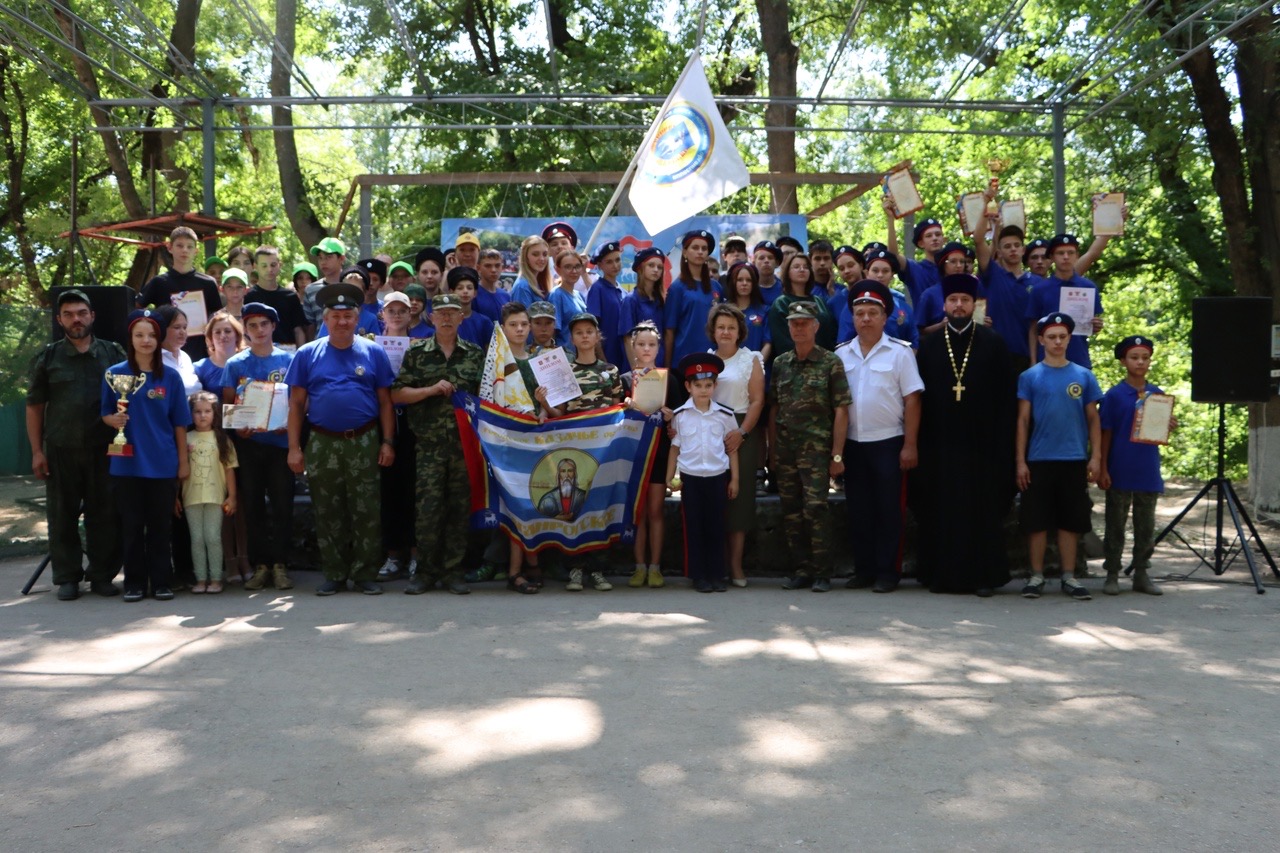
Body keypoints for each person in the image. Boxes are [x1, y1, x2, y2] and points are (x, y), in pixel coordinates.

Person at [285, 282, 397, 596]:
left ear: (357, 318)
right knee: (327, 509)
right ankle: (334, 572)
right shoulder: (308, 354)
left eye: (348, 315)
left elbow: (386, 401)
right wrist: (294, 448)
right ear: (325, 319)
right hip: (322, 442)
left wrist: (388, 442)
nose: (342, 321)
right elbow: (295, 404)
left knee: (367, 509)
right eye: (335, 316)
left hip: (364, 440)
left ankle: (364, 574)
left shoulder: (373, 351)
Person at [913, 274, 1017, 596]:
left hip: (982, 444)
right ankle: (941, 575)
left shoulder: (994, 342)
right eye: (953, 300)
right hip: (940, 443)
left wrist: (1003, 443)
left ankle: (982, 577)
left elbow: (1006, 398)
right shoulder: (929, 345)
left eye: (965, 300)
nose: (959, 305)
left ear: (975, 305)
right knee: (941, 508)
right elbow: (918, 398)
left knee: (980, 509)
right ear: (944, 305)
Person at [26, 289, 127, 600]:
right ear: (59, 320)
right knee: (61, 516)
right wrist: (37, 451)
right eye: (69, 314)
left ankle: (102, 575)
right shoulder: (48, 358)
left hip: (104, 449)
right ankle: (68, 577)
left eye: (82, 313)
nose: (76, 319)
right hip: (60, 449)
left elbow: (129, 400)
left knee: (104, 513)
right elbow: (34, 406)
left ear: (92, 316)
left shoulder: (113, 354)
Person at [392, 293, 485, 595]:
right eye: (441, 313)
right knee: (429, 510)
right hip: (429, 445)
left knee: (459, 509)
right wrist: (430, 390)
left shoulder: (474, 353)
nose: (446, 318)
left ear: (462, 318)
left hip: (463, 445)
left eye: (452, 313)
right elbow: (398, 394)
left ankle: (453, 571)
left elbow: (487, 397)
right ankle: (426, 572)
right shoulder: (417, 353)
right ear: (431, 318)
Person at [834, 281, 922, 593]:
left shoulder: (900, 353)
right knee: (858, 510)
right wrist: (837, 452)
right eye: (860, 313)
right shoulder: (841, 355)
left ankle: (888, 572)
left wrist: (910, 444)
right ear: (853, 318)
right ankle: (864, 569)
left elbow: (912, 399)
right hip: (854, 444)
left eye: (873, 313)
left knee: (889, 510)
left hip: (889, 442)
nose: (866, 319)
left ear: (885, 318)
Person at [100, 309, 191, 602]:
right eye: (139, 335)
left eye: (151, 334)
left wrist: (183, 461)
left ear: (159, 337)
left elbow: (179, 423)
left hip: (163, 463)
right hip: (126, 463)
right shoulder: (114, 374)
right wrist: (111, 420)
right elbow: (105, 412)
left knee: (161, 527)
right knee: (131, 526)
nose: (146, 340)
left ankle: (162, 581)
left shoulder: (172, 378)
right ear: (130, 338)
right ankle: (135, 583)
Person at [1016, 313, 1103, 601]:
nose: (1057, 341)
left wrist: (1096, 457)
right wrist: (1020, 461)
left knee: (1070, 520)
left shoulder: (1083, 375)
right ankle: (1036, 575)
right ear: (1041, 340)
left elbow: (1093, 419)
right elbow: (1023, 421)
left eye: (1062, 337)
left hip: (1074, 459)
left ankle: (1069, 576)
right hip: (1039, 460)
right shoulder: (1030, 377)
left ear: (1069, 339)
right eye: (1051, 337)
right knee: (1036, 521)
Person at [539, 313, 624, 592]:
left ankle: (598, 569)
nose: (585, 336)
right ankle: (575, 568)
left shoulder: (610, 371)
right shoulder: (565, 373)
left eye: (590, 331)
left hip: (603, 451)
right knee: (573, 507)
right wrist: (544, 403)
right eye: (579, 332)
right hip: (574, 450)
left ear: (597, 336)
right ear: (572, 339)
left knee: (598, 507)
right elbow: (559, 414)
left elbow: (616, 410)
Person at [771, 303, 851, 592]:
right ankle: (801, 569)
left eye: (805, 323)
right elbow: (775, 408)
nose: (799, 328)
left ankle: (822, 572)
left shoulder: (830, 362)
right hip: (786, 449)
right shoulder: (781, 363)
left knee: (816, 508)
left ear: (815, 326)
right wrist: (771, 452)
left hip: (817, 450)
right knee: (791, 510)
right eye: (794, 323)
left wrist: (837, 454)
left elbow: (842, 409)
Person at [222, 302, 298, 591]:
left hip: (280, 443)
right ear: (247, 329)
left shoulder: (289, 359)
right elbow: (228, 403)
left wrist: (288, 425)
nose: (259, 330)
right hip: (249, 446)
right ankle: (260, 565)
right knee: (252, 506)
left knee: (282, 505)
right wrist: (237, 425)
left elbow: (298, 401)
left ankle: (280, 565)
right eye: (252, 325)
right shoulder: (236, 364)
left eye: (264, 324)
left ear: (273, 327)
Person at [1099, 335, 1167, 596]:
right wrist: (1103, 467)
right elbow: (1105, 433)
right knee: (1115, 523)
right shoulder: (1115, 395)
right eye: (1134, 357)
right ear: (1123, 361)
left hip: (1147, 469)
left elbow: (1157, 432)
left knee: (1146, 525)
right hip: (1120, 468)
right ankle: (1112, 573)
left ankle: (1141, 572)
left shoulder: (1157, 395)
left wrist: (1166, 426)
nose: (1140, 362)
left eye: (1145, 358)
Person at [667, 353, 738, 593]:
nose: (703, 390)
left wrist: (735, 479)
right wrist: (670, 477)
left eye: (708, 385)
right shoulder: (680, 416)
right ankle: (699, 575)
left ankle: (718, 574)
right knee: (694, 527)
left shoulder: (725, 416)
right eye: (698, 385)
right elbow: (675, 448)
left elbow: (732, 450)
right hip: (691, 478)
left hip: (718, 477)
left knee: (716, 527)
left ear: (715, 386)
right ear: (688, 386)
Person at [708, 304, 766, 587]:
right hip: (709, 433)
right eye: (721, 327)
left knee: (738, 501)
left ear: (739, 331)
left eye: (731, 327)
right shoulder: (706, 360)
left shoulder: (750, 359)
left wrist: (741, 432)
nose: (726, 332)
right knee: (714, 499)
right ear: (713, 331)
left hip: (742, 429)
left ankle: (736, 566)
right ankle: (715, 564)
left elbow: (757, 400)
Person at [620, 322, 675, 589]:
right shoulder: (624, 380)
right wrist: (626, 406)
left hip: (660, 452)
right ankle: (639, 566)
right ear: (633, 347)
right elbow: (613, 421)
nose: (646, 349)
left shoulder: (670, 379)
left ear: (658, 348)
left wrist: (670, 416)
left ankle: (655, 567)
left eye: (651, 344)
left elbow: (679, 423)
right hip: (633, 454)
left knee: (655, 510)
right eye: (641, 344)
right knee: (638, 512)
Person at [374, 291, 419, 583]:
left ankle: (415, 555)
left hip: (414, 424)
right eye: (392, 310)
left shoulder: (421, 346)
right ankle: (392, 556)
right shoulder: (369, 346)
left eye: (403, 310)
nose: (398, 315)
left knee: (414, 491)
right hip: (380, 423)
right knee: (387, 492)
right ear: (383, 315)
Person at [136, 226, 222, 359]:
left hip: (201, 352)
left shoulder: (208, 283)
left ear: (196, 251)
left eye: (189, 246)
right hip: (166, 354)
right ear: (170, 248)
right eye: (180, 245)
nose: (184, 250)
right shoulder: (159, 282)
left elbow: (217, 316)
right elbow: (137, 307)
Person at [182, 391, 238, 594]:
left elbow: (229, 468)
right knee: (197, 539)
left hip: (215, 497)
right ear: (190, 414)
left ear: (215, 414)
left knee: (213, 537)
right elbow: (178, 470)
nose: (202, 415)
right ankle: (200, 579)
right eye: (197, 411)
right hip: (191, 497)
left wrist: (232, 496)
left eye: (207, 411)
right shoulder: (185, 438)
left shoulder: (222, 439)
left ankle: (216, 578)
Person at [1026, 234, 1104, 368]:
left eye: (1070, 252)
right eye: (1060, 253)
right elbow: (1033, 329)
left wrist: (1096, 326)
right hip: (1046, 362)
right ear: (1052, 257)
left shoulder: (1088, 287)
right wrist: (1033, 362)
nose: (1066, 257)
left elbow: (1091, 325)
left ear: (1077, 255)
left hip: (1079, 360)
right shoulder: (1039, 290)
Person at [664, 230, 722, 366]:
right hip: (684, 359)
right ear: (684, 252)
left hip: (713, 358)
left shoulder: (717, 287)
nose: (700, 252)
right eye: (695, 248)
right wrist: (667, 368)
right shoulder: (677, 288)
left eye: (704, 248)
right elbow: (669, 331)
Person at [766, 252, 837, 356]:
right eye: (796, 267)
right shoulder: (781, 303)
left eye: (806, 267)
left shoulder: (820, 301)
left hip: (825, 363)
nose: (802, 269)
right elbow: (782, 341)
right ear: (788, 272)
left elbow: (831, 333)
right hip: (794, 365)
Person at [883, 203, 945, 306]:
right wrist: (890, 218)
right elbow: (893, 255)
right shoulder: (914, 269)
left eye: (938, 234)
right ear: (921, 243)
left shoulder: (953, 267)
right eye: (929, 236)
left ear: (943, 239)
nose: (934, 238)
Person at [249, 245, 308, 348]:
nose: (269, 269)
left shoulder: (290, 297)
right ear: (255, 266)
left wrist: (300, 357)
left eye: (273, 265)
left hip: (287, 351)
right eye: (264, 265)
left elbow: (298, 330)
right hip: (257, 351)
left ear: (279, 265)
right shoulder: (248, 297)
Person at [619, 247, 666, 368]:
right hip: (638, 369)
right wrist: (637, 371)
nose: (656, 270)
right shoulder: (631, 300)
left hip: (658, 366)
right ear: (641, 268)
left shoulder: (661, 300)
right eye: (651, 265)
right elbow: (627, 339)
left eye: (659, 267)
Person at [587, 241, 627, 368]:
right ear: (600, 265)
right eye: (609, 262)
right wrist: (602, 359)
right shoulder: (597, 289)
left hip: (624, 354)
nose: (615, 265)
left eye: (617, 260)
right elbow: (593, 327)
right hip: (608, 356)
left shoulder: (622, 291)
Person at [724, 262, 771, 359]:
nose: (744, 283)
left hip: (756, 367)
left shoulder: (764, 311)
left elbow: (768, 344)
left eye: (749, 280)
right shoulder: (723, 311)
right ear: (733, 282)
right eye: (740, 280)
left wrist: (757, 366)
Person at [194, 310, 243, 395]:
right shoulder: (199, 368)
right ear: (210, 338)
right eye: (217, 332)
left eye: (227, 331)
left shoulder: (248, 363)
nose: (223, 336)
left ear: (237, 336)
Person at [548, 250, 588, 352]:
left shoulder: (579, 295)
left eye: (577, 266)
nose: (574, 271)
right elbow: (552, 332)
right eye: (568, 267)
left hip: (581, 356)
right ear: (558, 270)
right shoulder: (556, 295)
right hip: (566, 356)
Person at [447, 266, 496, 348]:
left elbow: (490, 354)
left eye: (469, 288)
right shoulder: (445, 321)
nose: (465, 291)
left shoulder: (484, 322)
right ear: (451, 292)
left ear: (475, 293)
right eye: (460, 288)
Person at [510, 236, 553, 307]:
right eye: (535, 254)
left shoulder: (539, 283)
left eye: (545, 254)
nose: (542, 258)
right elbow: (522, 317)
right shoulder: (522, 287)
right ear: (525, 257)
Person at [473, 248, 511, 322]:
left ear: (502, 267)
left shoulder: (506, 296)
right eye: (488, 266)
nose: (493, 270)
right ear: (478, 268)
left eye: (497, 265)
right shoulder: (473, 295)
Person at [752, 240, 783, 304]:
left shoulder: (785, 288)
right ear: (754, 263)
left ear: (777, 263)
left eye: (770, 258)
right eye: (761, 258)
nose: (766, 261)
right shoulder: (748, 287)